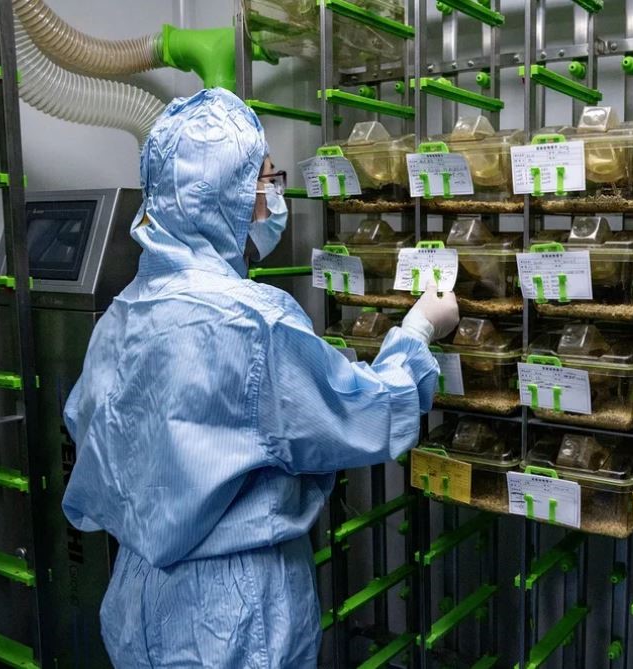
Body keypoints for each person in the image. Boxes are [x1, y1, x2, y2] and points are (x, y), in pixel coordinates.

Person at [60, 88, 459, 668]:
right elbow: (363, 414)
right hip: (231, 616)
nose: (275, 195)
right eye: (267, 179)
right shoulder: (253, 322)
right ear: (228, 195)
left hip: (137, 600)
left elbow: (90, 437)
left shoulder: (123, 312)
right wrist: (418, 331)